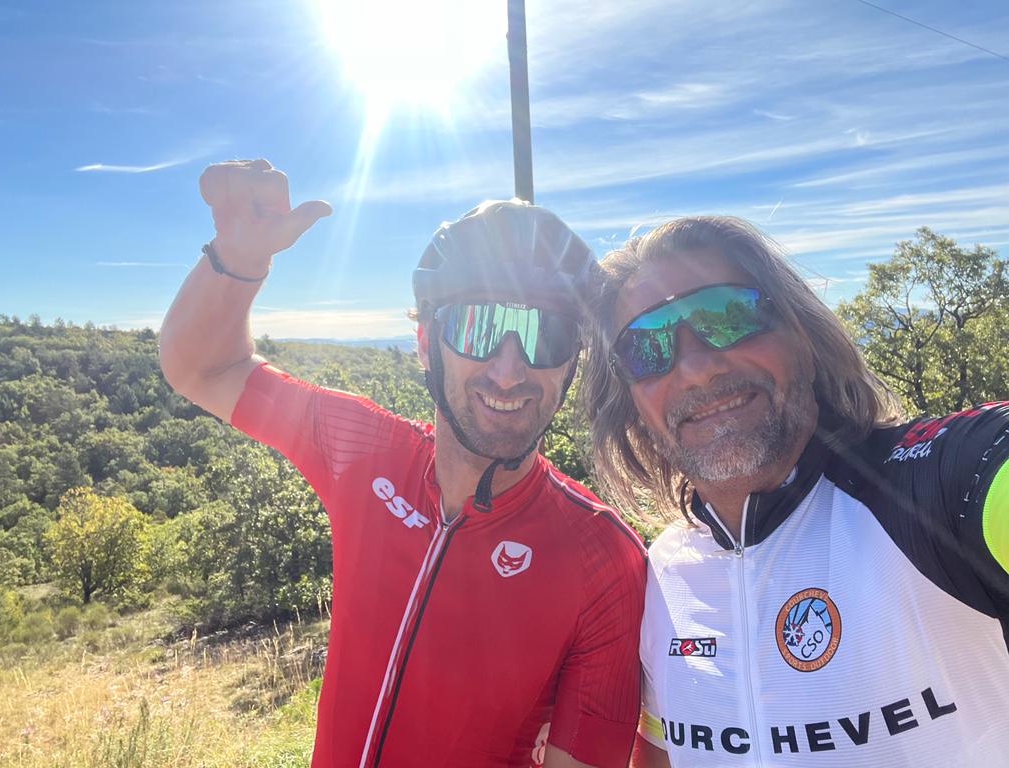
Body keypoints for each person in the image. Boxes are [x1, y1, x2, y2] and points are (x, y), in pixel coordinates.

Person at [159, 159, 647, 768]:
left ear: (571, 361)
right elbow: (201, 367)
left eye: (545, 336)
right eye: (477, 326)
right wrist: (237, 260)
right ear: (424, 344)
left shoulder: (606, 561)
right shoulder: (360, 447)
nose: (508, 371)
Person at [580, 216, 1009, 767]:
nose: (696, 369)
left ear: (802, 337)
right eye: (646, 348)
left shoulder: (928, 490)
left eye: (729, 314)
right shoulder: (662, 574)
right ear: (631, 403)